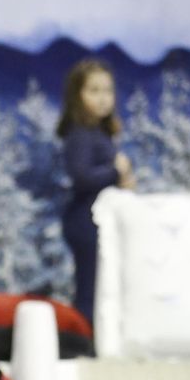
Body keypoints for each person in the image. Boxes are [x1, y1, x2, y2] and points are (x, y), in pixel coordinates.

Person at [58, 56, 134, 337]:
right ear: (77, 95)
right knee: (90, 284)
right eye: (94, 91)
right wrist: (115, 172)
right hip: (85, 221)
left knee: (101, 283)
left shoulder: (98, 132)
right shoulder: (80, 134)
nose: (103, 98)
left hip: (97, 220)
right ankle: (84, 337)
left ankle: (96, 335)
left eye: (107, 90)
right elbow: (81, 177)